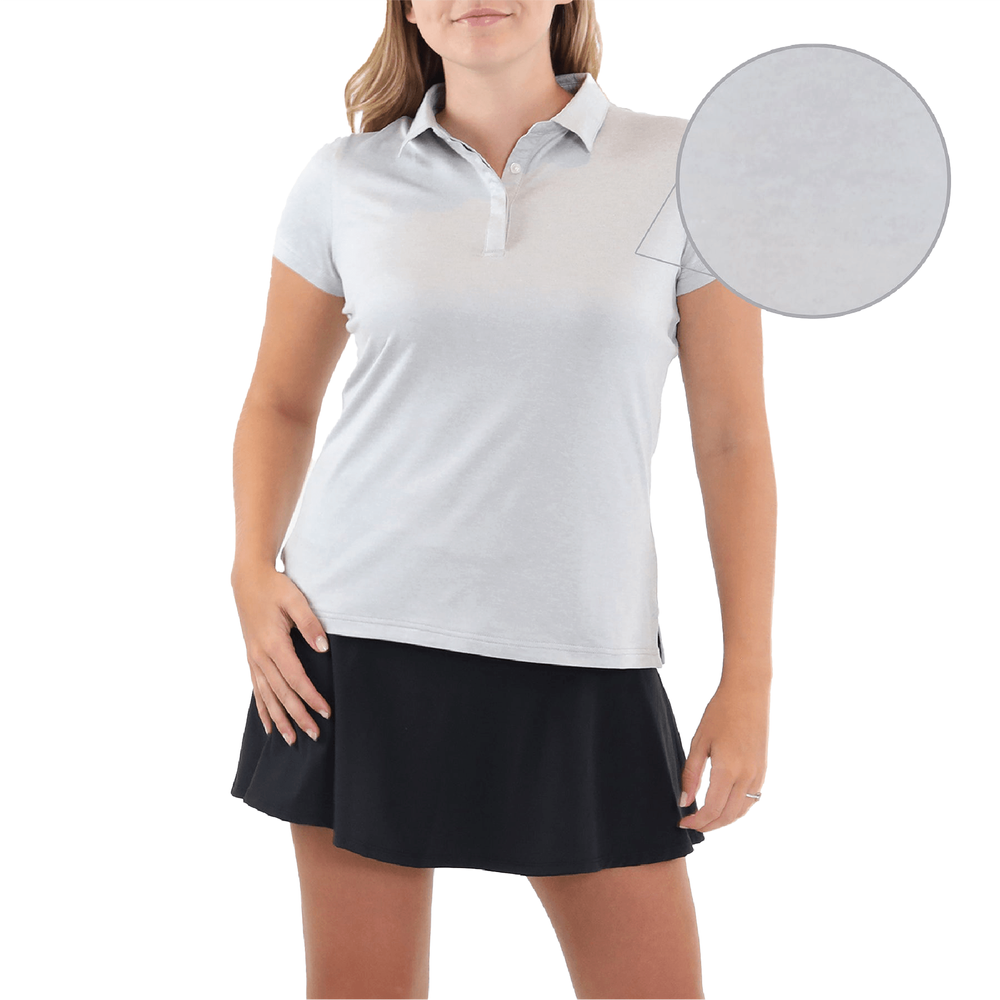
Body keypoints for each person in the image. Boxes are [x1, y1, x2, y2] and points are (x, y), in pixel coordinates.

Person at [229, 1, 774, 997]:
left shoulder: (687, 167)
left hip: (585, 649)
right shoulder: (344, 178)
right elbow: (278, 401)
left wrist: (749, 676)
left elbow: (733, 439)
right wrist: (248, 568)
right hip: (359, 645)